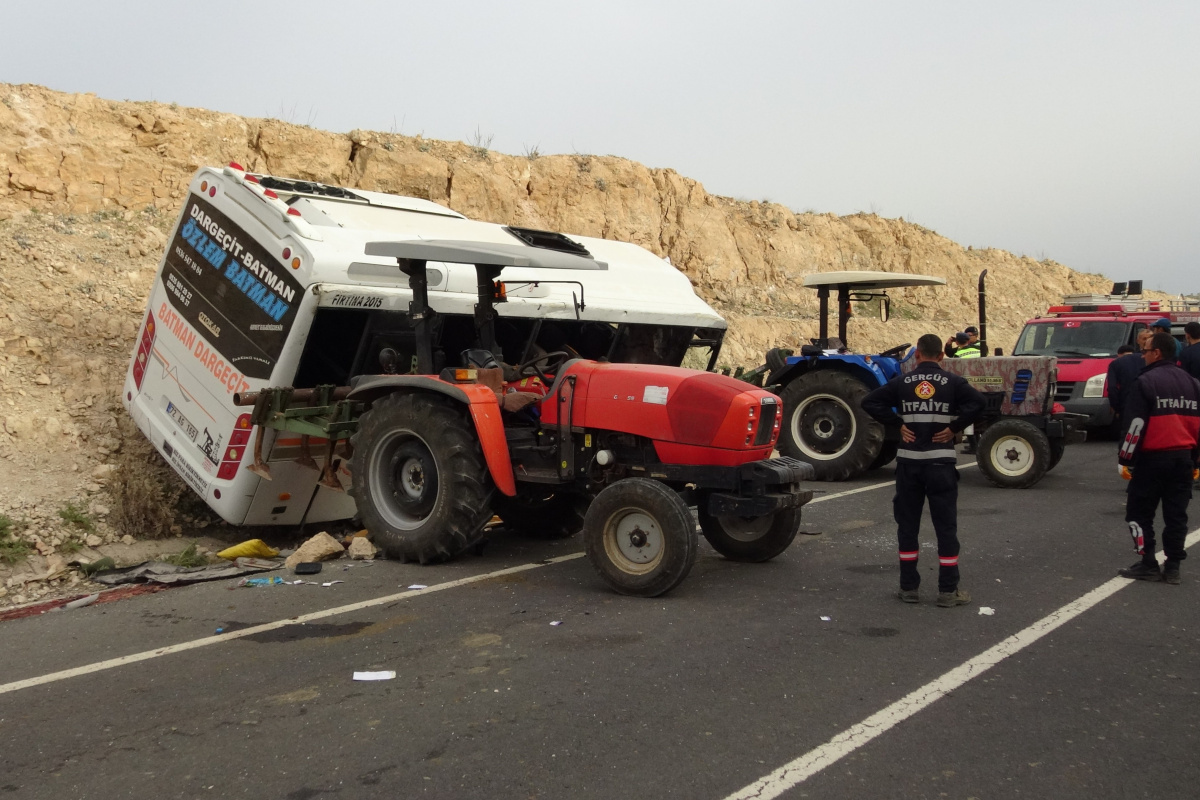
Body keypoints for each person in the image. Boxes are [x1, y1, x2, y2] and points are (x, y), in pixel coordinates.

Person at [862, 333, 986, 606]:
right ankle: (947, 591)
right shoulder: (953, 383)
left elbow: (869, 401)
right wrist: (953, 428)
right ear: (942, 356)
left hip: (909, 465)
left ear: (916, 354)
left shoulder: (902, 382)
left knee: (908, 526)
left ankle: (908, 588)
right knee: (946, 528)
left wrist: (896, 424)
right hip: (941, 465)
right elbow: (979, 403)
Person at [1117, 332, 1200, 585]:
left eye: (1145, 350)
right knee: (1176, 516)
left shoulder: (1145, 382)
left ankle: (1148, 562)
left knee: (1137, 514)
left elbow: (1135, 427)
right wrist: (1195, 461)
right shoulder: (1193, 384)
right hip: (1183, 460)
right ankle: (1173, 567)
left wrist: (1126, 459)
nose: (1142, 355)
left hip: (1152, 460)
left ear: (1157, 353)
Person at [1107, 329, 1152, 425]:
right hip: (1150, 406)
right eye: (1144, 338)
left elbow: (1112, 388)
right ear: (1137, 340)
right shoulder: (1157, 361)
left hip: (1127, 406)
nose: (1146, 341)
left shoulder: (1117, 362)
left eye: (1149, 338)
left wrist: (1116, 407)